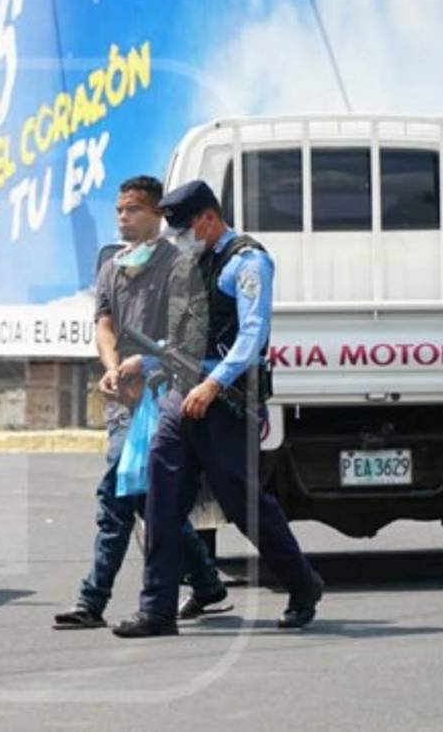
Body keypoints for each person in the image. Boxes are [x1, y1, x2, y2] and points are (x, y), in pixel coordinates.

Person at [114, 180, 323, 638]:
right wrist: (145, 360)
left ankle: (302, 584)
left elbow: (252, 337)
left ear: (208, 218)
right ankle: (157, 611)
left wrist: (212, 383)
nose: (181, 240)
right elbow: (186, 337)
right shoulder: (192, 263)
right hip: (181, 394)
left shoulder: (247, 262)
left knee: (241, 502)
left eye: (186, 229)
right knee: (162, 499)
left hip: (228, 399)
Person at [54, 176, 224, 631]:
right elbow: (104, 323)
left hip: (161, 399)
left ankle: (92, 601)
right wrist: (111, 365)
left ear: (156, 215)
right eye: (119, 210)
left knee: (115, 496)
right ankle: (206, 582)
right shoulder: (112, 265)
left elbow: (189, 337)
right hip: (122, 402)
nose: (124, 218)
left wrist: (143, 363)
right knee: (151, 500)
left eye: (133, 210)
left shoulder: (178, 264)